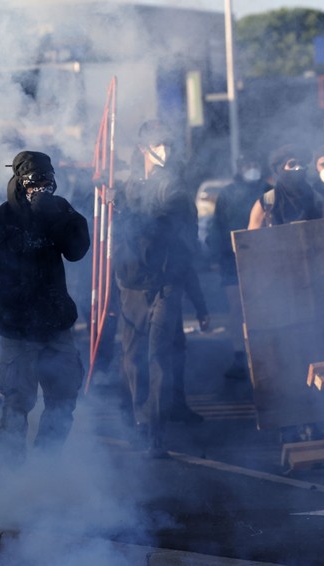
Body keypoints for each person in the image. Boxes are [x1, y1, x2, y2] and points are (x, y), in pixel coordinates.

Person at [0, 150, 89, 467]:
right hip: (20, 334)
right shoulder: (1, 222)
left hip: (56, 327)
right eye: (34, 185)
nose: (41, 191)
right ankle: (11, 478)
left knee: (64, 398)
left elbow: (77, 250)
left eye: (46, 184)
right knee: (17, 405)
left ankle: (46, 467)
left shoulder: (58, 210)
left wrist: (60, 216)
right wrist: (14, 311)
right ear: (20, 183)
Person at [113, 121, 208, 457]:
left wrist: (200, 302)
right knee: (133, 358)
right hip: (131, 285)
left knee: (158, 359)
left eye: (169, 143)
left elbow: (173, 235)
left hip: (166, 285)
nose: (165, 150)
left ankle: (155, 432)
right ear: (144, 149)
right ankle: (139, 419)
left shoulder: (173, 190)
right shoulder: (128, 188)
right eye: (158, 143)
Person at [208, 151, 268, 381]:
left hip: (261, 260)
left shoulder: (266, 192)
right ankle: (239, 354)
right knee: (237, 308)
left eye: (255, 163)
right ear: (240, 167)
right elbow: (217, 226)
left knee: (261, 306)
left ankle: (261, 353)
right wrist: (215, 256)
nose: (252, 168)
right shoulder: (228, 193)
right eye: (247, 164)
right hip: (231, 258)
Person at [248, 144, 324, 230]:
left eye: (301, 163)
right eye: (292, 164)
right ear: (281, 168)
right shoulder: (266, 204)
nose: (298, 168)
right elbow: (252, 239)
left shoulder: (318, 202)